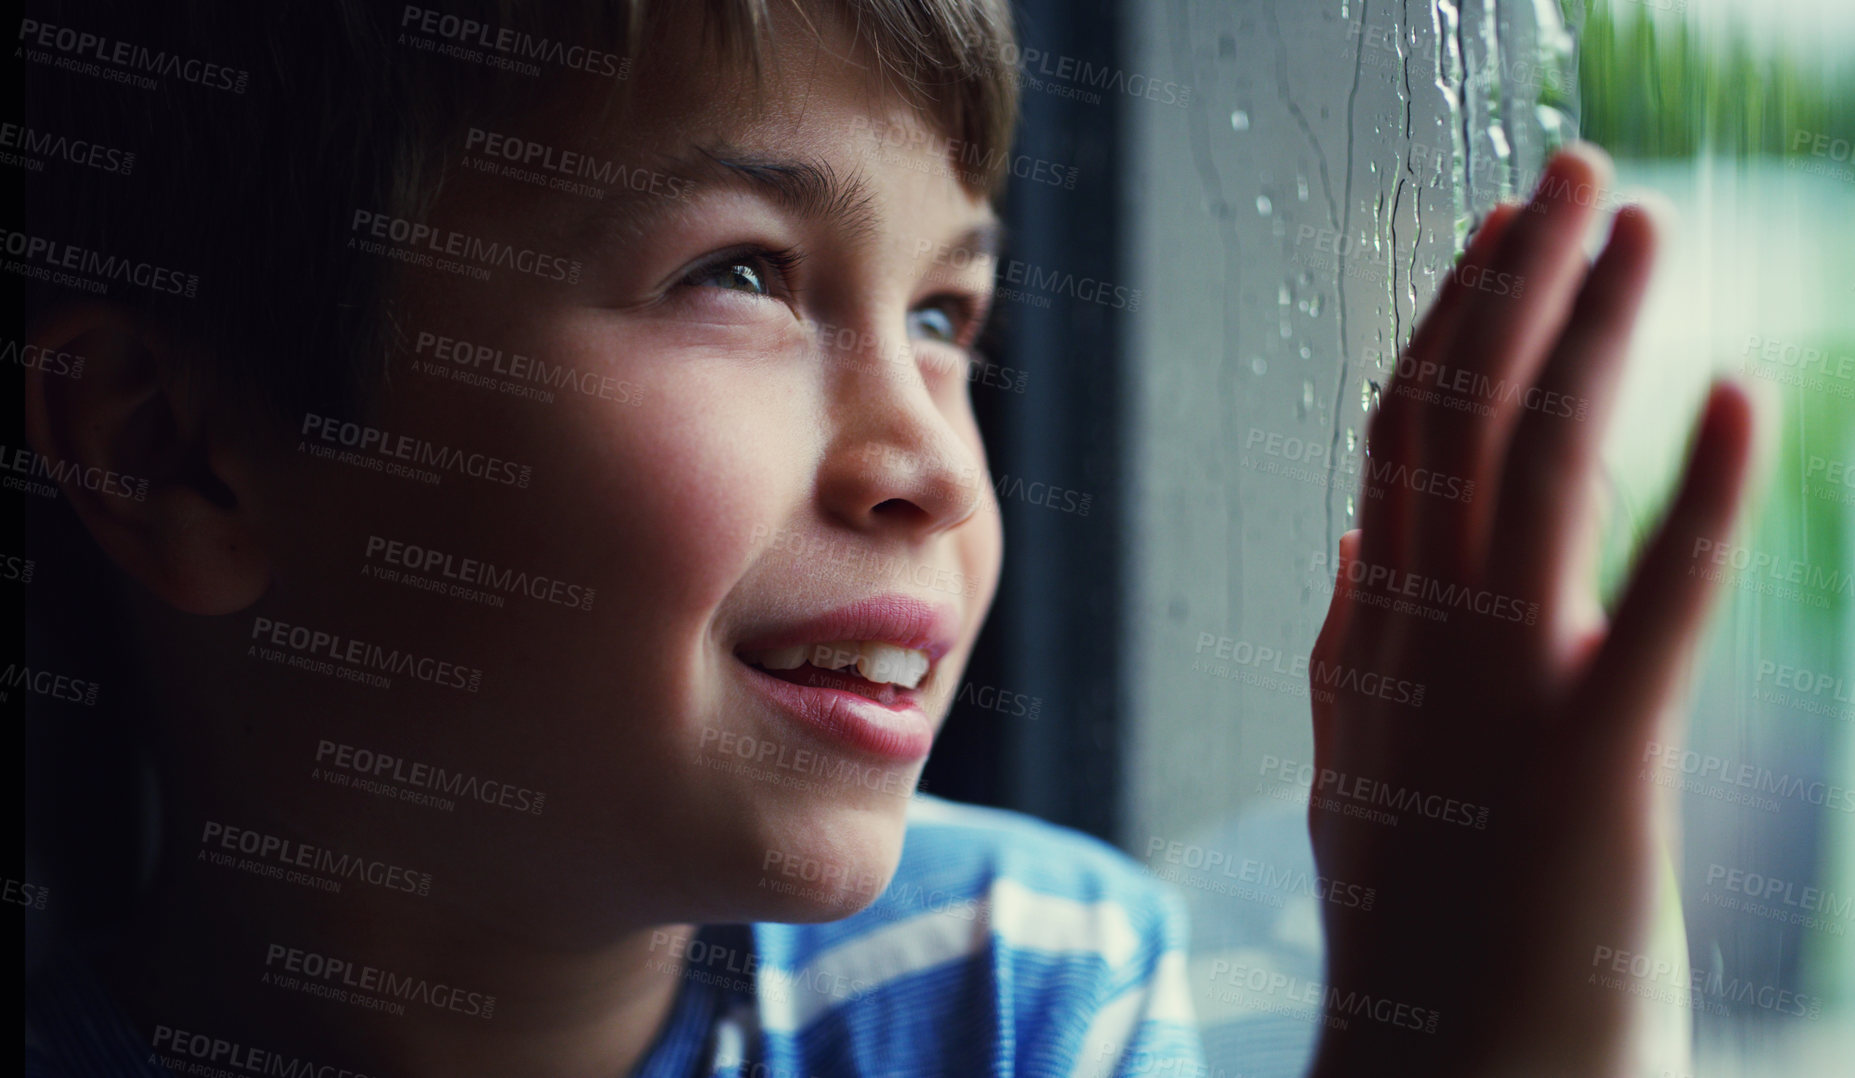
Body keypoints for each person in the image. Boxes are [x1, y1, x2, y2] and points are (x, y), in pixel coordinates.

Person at [18, 1, 1753, 1075]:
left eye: (945, 318)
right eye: (744, 276)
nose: (929, 459)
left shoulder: (1017, 991)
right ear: (180, 457)